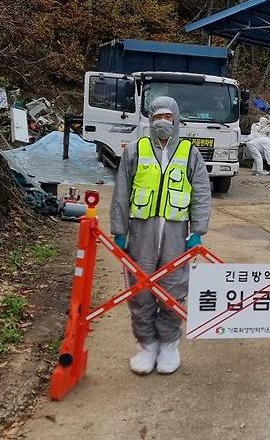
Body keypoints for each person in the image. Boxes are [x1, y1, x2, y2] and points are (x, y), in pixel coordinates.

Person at [110, 96, 212, 375]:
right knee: (140, 287)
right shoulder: (134, 150)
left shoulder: (190, 153)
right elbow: (121, 192)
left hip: (177, 233)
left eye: (168, 117)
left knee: (174, 288)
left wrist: (198, 231)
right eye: (158, 118)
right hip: (141, 231)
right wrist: (119, 231)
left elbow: (201, 193)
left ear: (176, 120)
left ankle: (168, 344)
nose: (163, 123)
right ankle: (146, 345)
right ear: (150, 120)